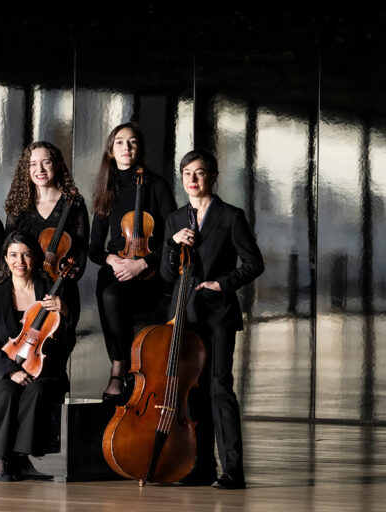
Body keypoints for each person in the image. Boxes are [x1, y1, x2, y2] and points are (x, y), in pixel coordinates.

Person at [161, 149, 264, 490]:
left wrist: (224, 283)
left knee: (220, 388)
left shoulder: (231, 216)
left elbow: (253, 263)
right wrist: (173, 245)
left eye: (200, 172)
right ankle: (200, 467)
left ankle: (233, 471)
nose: (193, 179)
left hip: (218, 314)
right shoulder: (175, 219)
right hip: (184, 316)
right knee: (193, 392)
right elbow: (166, 273)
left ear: (212, 176)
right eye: (187, 173)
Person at [0, 231, 75, 482]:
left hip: (44, 369)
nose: (20, 261)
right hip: (4, 368)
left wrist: (63, 312)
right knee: (6, 390)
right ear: (6, 260)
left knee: (37, 391)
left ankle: (16, 455)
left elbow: (67, 342)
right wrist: (10, 371)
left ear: (35, 258)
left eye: (26, 254)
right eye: (13, 255)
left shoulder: (50, 293)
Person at [89, 122, 176, 404]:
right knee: (108, 289)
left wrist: (143, 263)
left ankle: (119, 368)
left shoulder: (157, 185)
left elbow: (173, 237)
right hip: (117, 269)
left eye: (132, 142)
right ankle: (119, 364)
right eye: (119, 143)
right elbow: (93, 247)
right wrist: (111, 259)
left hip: (149, 273)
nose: (126, 148)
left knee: (113, 294)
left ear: (140, 148)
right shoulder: (107, 189)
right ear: (111, 151)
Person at [3, 141, 88, 327]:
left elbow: (80, 257)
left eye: (46, 162)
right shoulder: (18, 206)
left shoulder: (74, 204)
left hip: (60, 289)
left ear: (56, 164)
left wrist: (60, 282)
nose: (39, 169)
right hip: (24, 289)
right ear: (26, 168)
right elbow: (9, 250)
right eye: (33, 164)